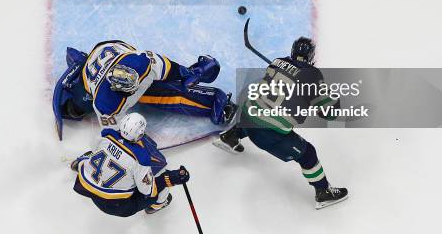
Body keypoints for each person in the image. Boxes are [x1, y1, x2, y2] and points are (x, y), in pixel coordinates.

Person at [213, 37, 348, 209]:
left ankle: (231, 135)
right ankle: (323, 192)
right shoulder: (313, 75)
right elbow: (330, 113)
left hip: (245, 117)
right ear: (311, 56)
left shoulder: (277, 62)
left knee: (258, 111)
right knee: (308, 154)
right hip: (269, 135)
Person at [53, 40, 236, 139]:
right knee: (78, 107)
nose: (135, 88)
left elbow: (170, 69)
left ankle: (213, 101)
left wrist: (189, 73)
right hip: (99, 62)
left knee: (157, 93)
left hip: (112, 48)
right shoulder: (104, 104)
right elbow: (113, 136)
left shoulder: (143, 63)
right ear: (116, 87)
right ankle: (80, 65)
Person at [71, 113, 190, 217]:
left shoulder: (105, 136)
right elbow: (147, 190)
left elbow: (94, 146)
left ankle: (79, 164)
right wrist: (173, 177)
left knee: (92, 154)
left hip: (88, 190)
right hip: (115, 206)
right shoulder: (140, 159)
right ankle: (157, 205)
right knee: (159, 186)